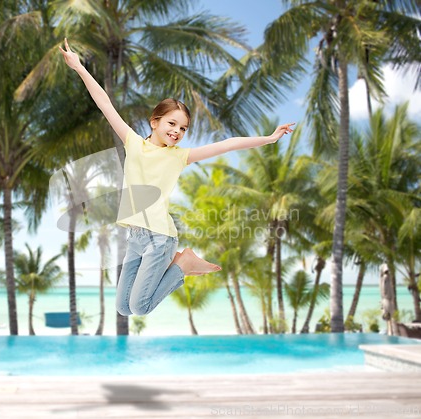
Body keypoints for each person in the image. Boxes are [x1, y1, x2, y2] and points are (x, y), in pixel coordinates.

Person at [59, 38, 294, 316]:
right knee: (124, 308)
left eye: (183, 128)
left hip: (160, 238)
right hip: (135, 237)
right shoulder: (133, 142)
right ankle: (183, 264)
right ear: (154, 121)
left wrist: (269, 139)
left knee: (140, 306)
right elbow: (104, 103)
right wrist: (79, 67)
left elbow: (229, 143)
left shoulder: (179, 156)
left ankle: (185, 264)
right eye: (172, 124)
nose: (177, 132)